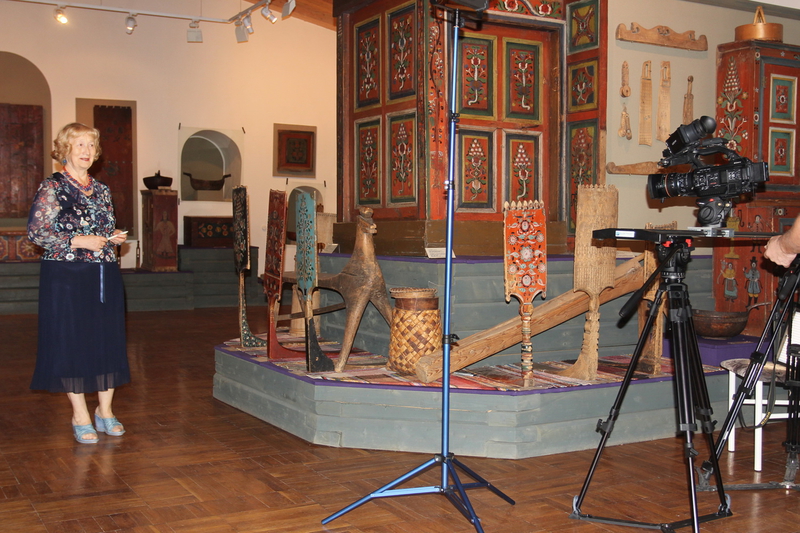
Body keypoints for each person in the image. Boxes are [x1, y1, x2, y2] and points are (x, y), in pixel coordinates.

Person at [27, 123, 130, 444]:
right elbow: (37, 232)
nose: (87, 151)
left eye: (91, 145)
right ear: (66, 150)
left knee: (107, 339)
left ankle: (105, 411)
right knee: (72, 341)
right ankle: (80, 415)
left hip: (103, 272)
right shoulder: (52, 186)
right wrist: (77, 240)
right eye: (80, 144)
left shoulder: (101, 189)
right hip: (66, 275)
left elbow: (105, 227)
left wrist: (113, 237)